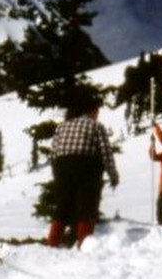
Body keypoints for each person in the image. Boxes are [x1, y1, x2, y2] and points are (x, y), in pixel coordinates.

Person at [46, 89, 119, 249]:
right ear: (90, 110)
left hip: (62, 166)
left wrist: (58, 174)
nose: (97, 114)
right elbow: (106, 152)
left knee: (63, 206)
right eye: (96, 111)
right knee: (87, 206)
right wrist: (113, 175)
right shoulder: (95, 125)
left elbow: (55, 150)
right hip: (86, 166)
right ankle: (84, 244)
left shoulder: (62, 126)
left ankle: (52, 243)